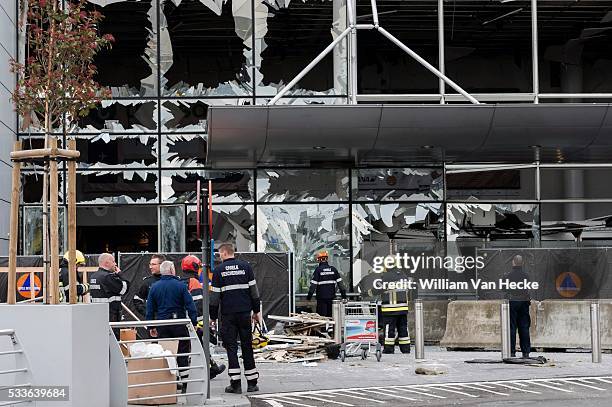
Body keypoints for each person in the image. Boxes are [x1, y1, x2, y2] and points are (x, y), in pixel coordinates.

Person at [210, 243, 261, 394]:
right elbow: (254, 292)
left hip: (228, 315)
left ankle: (235, 384)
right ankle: (252, 383)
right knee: (247, 346)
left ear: (224, 253)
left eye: (219, 254)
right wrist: (256, 311)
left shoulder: (218, 271)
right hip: (245, 313)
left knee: (231, 348)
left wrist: (212, 317)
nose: (219, 257)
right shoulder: (246, 267)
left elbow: (214, 298)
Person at [146, 261, 198, 392]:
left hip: (162, 325)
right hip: (179, 324)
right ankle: (185, 383)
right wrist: (194, 322)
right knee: (182, 352)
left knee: (167, 353)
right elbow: (190, 305)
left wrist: (151, 327)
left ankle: (170, 383)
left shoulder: (154, 287)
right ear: (171, 270)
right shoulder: (180, 286)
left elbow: (150, 309)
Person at [180, 255, 226, 380]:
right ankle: (210, 368)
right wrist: (200, 324)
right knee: (200, 346)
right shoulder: (193, 282)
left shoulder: (180, 281)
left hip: (183, 321)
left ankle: (211, 367)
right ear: (195, 267)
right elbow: (198, 304)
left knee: (192, 347)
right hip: (193, 322)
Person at [89, 253, 129, 339]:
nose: (115, 264)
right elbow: (124, 289)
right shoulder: (108, 277)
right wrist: (120, 274)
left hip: (97, 315)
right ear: (107, 263)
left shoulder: (94, 276)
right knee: (112, 341)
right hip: (110, 315)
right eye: (113, 261)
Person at [379, 266, 411, 354]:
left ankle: (388, 349)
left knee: (389, 329)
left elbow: (378, 289)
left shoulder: (386, 276)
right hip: (403, 308)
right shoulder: (403, 275)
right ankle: (406, 348)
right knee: (403, 328)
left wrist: (366, 293)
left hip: (390, 309)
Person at [306, 250, 347, 317]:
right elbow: (341, 284)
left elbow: (313, 286)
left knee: (322, 318)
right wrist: (344, 296)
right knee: (331, 317)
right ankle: (330, 327)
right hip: (331, 298)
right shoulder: (333, 269)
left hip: (321, 299)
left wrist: (309, 297)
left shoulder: (318, 270)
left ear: (319, 260)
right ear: (327, 259)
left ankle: (323, 328)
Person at [506, 255, 531, 358]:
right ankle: (526, 352)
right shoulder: (526, 275)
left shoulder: (508, 275)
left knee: (512, 327)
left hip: (512, 301)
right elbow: (528, 287)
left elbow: (504, 288)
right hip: (524, 301)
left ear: (513, 262)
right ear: (522, 263)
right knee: (524, 327)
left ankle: (512, 351)